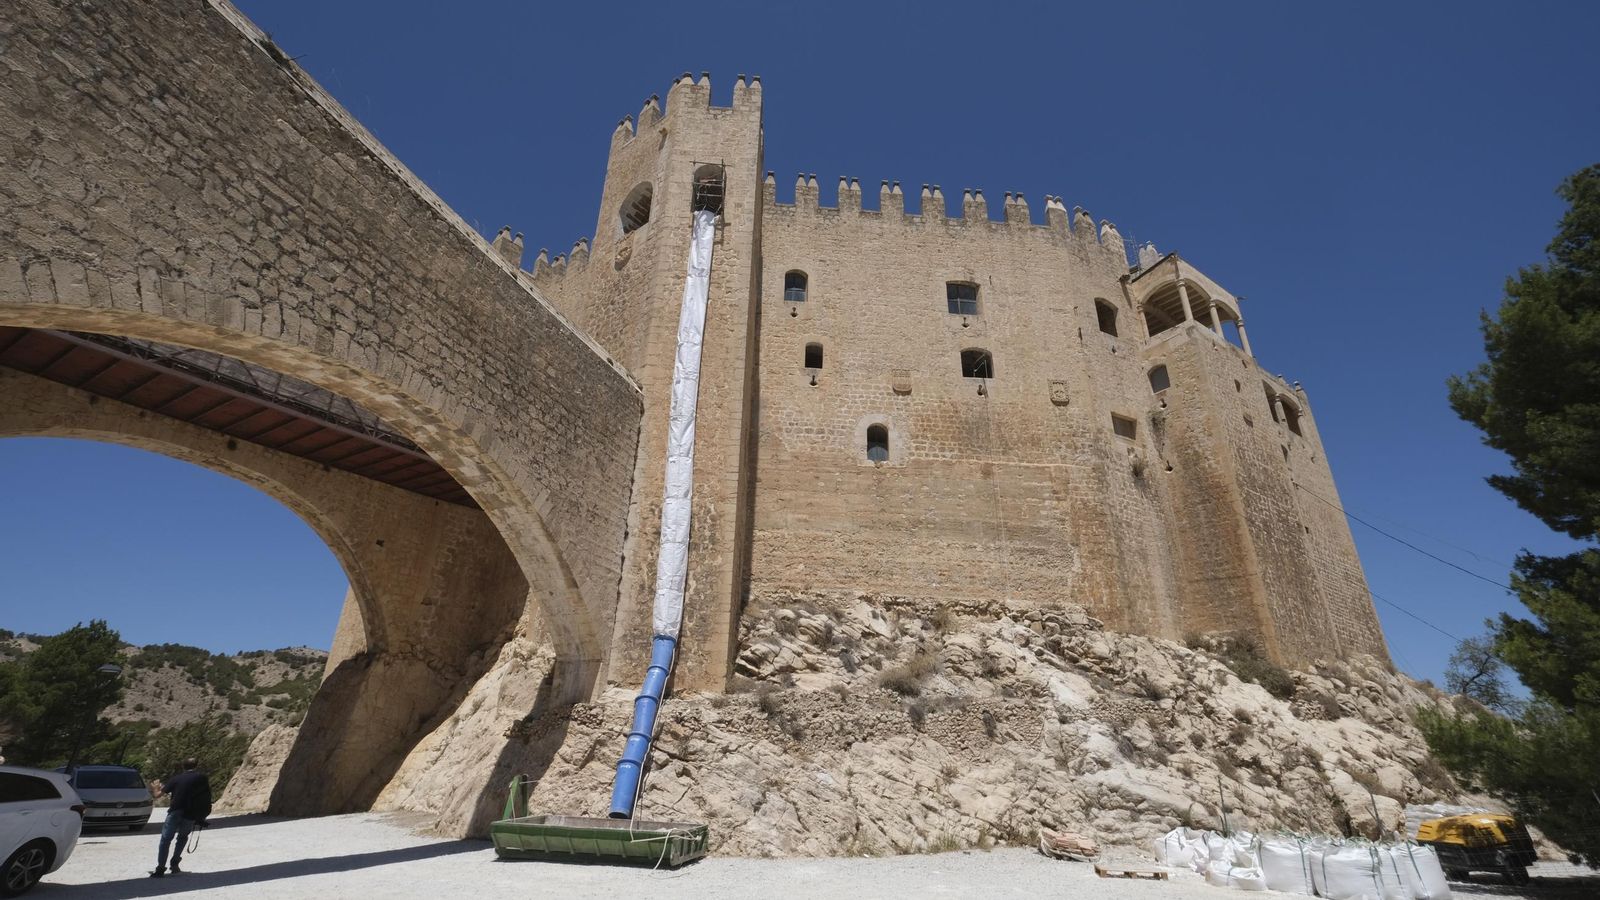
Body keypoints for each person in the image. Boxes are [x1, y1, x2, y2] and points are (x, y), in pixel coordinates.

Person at [150, 758, 211, 877]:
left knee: (166, 840)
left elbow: (157, 795)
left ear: (183, 766)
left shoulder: (176, 779)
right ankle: (175, 863)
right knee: (182, 837)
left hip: (175, 811)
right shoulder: (202, 778)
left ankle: (160, 868)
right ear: (196, 765)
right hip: (191, 813)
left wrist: (155, 787)